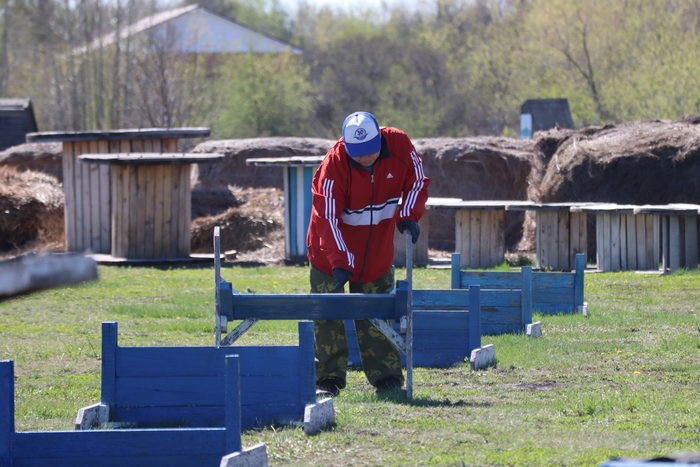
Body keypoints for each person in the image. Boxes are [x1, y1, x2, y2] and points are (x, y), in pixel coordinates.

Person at [306, 111, 430, 396]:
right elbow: (326, 218)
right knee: (327, 314)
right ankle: (328, 379)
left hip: (376, 254)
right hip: (329, 253)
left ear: (380, 140)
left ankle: (387, 378)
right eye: (357, 152)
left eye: (370, 150)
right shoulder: (332, 166)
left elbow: (417, 180)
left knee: (377, 313)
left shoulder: (399, 144)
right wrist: (339, 260)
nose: (365, 157)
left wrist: (409, 214)